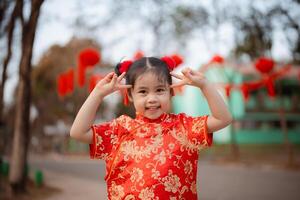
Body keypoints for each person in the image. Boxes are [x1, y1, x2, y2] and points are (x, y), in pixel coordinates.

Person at [70, 56, 232, 200]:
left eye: (160, 90)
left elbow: (223, 119)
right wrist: (97, 94)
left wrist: (205, 85)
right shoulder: (119, 129)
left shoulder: (184, 127)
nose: (152, 98)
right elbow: (78, 132)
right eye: (143, 91)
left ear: (171, 93)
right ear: (130, 95)